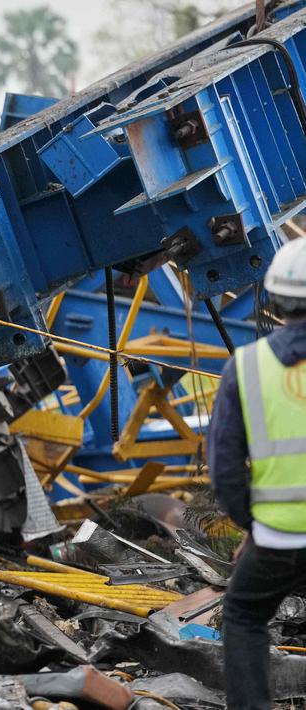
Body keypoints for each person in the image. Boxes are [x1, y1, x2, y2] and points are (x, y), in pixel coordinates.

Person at [209, 237, 306, 709]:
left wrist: (255, 525)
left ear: (275, 298)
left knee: (245, 614)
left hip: (278, 538)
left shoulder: (245, 368)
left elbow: (225, 471)